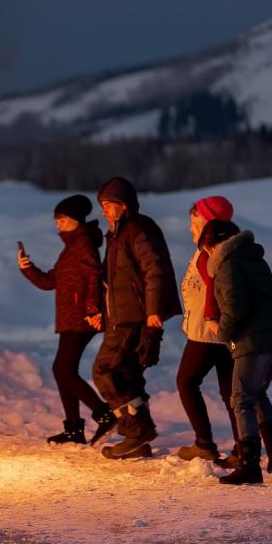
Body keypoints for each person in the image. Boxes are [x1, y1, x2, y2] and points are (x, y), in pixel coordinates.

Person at [201, 220, 272, 485]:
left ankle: (249, 467)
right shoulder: (254, 258)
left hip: (256, 343)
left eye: (207, 250)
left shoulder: (228, 266)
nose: (208, 256)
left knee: (241, 399)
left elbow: (235, 309)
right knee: (256, 393)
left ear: (215, 245)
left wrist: (221, 333)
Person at [92, 177, 182, 459]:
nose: (104, 211)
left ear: (122, 205)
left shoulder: (138, 229)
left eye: (107, 205)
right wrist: (99, 311)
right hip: (119, 316)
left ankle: (136, 431)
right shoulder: (118, 234)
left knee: (105, 370)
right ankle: (138, 439)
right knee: (126, 372)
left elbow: (154, 270)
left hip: (133, 316)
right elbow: (112, 280)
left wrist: (154, 311)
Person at [18, 194, 116, 445]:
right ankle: (74, 429)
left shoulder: (83, 245)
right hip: (71, 317)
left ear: (73, 220)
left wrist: (93, 311)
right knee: (64, 371)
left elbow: (94, 278)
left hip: (81, 318)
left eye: (61, 220)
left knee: (62, 370)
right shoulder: (71, 248)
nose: (57, 225)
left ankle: (104, 415)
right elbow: (51, 282)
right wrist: (27, 268)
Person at [175, 196, 240, 463]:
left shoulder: (211, 253)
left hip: (208, 334)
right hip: (217, 332)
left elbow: (215, 292)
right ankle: (243, 447)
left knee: (186, 381)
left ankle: (205, 443)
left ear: (208, 223)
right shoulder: (210, 250)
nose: (190, 230)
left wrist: (211, 319)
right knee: (230, 392)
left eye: (195, 224)